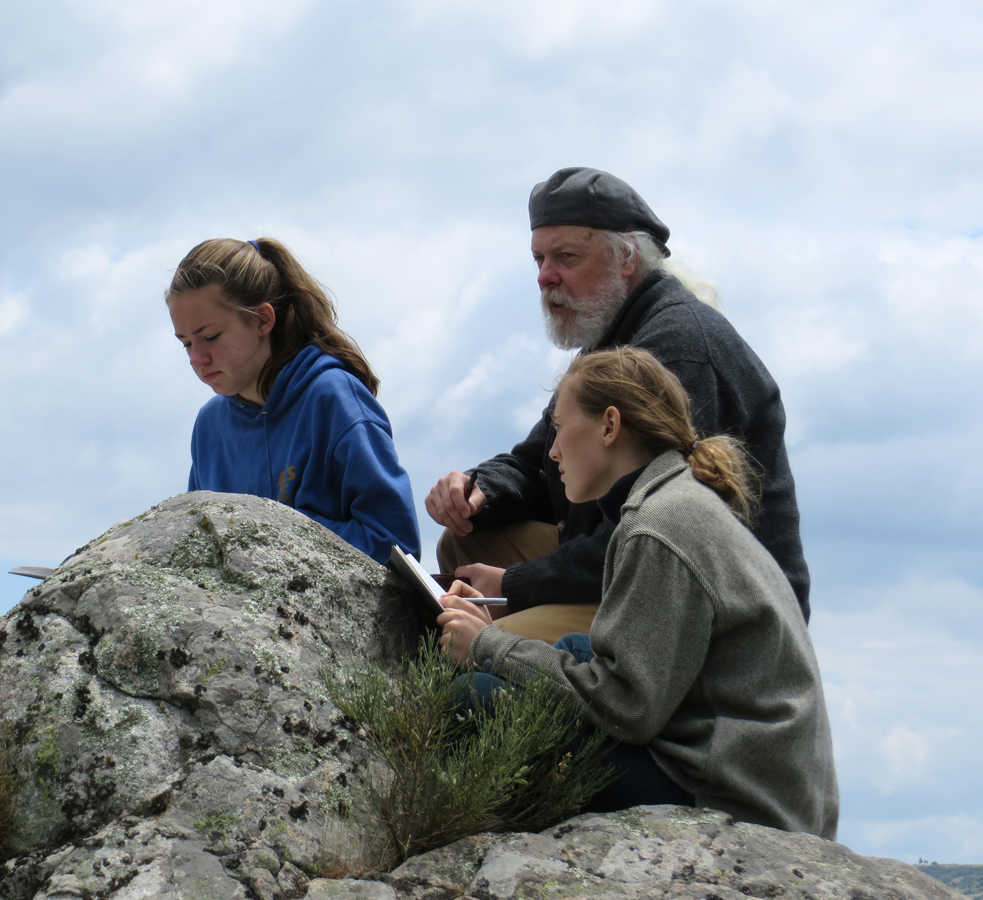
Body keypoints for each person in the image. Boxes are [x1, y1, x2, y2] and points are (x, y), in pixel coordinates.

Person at [436, 347, 838, 838]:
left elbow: (625, 707)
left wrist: (487, 645)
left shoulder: (658, 526)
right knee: (578, 649)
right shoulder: (674, 498)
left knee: (472, 699)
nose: (553, 451)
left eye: (559, 428)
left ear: (610, 426)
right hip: (758, 778)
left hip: (737, 802)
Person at [426, 167, 810, 642]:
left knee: (468, 643)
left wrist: (514, 586)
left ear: (625, 258)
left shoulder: (680, 348)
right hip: (627, 568)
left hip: (708, 612)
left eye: (566, 257)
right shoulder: (609, 338)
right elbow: (541, 460)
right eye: (539, 258)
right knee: (466, 539)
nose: (546, 277)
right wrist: (479, 491)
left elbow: (657, 537)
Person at [166, 236, 420, 564]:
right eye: (185, 343)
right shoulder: (209, 426)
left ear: (262, 320)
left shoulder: (334, 398)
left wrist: (273, 536)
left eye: (210, 336)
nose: (196, 358)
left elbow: (398, 546)